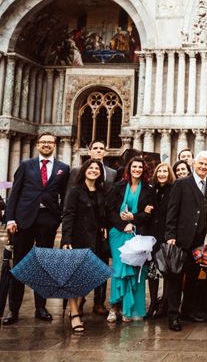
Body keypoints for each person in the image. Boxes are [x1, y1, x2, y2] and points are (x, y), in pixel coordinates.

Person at [3, 132, 70, 325]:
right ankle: (13, 309)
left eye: (50, 142)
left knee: (44, 265)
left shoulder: (63, 168)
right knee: (20, 265)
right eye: (43, 142)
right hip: (23, 222)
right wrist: (10, 219)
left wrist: (59, 217)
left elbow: (65, 196)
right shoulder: (26, 165)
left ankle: (41, 307)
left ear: (55, 145)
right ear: (38, 145)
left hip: (47, 222)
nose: (47, 145)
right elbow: (14, 194)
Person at [165, 151, 207, 331]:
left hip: (201, 241)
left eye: (206, 164)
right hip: (181, 239)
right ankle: (173, 315)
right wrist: (170, 235)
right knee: (175, 279)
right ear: (194, 163)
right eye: (200, 163)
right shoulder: (181, 183)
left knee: (193, 278)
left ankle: (187, 310)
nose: (203, 167)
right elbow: (172, 211)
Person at [68, 139, 117, 316]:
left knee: (101, 266)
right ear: (89, 151)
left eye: (101, 148)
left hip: (102, 229)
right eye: (95, 148)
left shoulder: (112, 173)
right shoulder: (75, 172)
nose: (98, 151)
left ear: (105, 152)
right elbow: (69, 204)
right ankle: (78, 304)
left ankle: (99, 301)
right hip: (81, 230)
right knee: (80, 268)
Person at [61, 159, 107, 332]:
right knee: (74, 278)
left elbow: (101, 214)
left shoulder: (101, 191)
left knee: (87, 277)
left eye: (97, 168)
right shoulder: (75, 191)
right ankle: (74, 314)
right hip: (77, 239)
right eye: (91, 168)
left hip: (94, 241)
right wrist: (66, 239)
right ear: (84, 170)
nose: (94, 170)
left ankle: (78, 306)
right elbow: (68, 215)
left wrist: (103, 226)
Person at [106, 156, 154, 323]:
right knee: (119, 270)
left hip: (137, 234)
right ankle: (114, 307)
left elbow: (149, 215)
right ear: (129, 169)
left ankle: (131, 309)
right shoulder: (117, 186)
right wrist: (122, 224)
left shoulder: (149, 189)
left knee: (135, 271)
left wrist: (133, 218)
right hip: (118, 233)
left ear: (144, 170)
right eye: (134, 167)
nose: (137, 170)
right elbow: (110, 211)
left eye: (140, 167)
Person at [146, 162, 176, 319]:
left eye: (165, 171)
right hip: (152, 236)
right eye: (159, 171)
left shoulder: (173, 189)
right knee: (152, 272)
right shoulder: (151, 190)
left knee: (166, 272)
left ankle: (163, 304)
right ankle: (152, 304)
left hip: (166, 236)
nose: (162, 174)